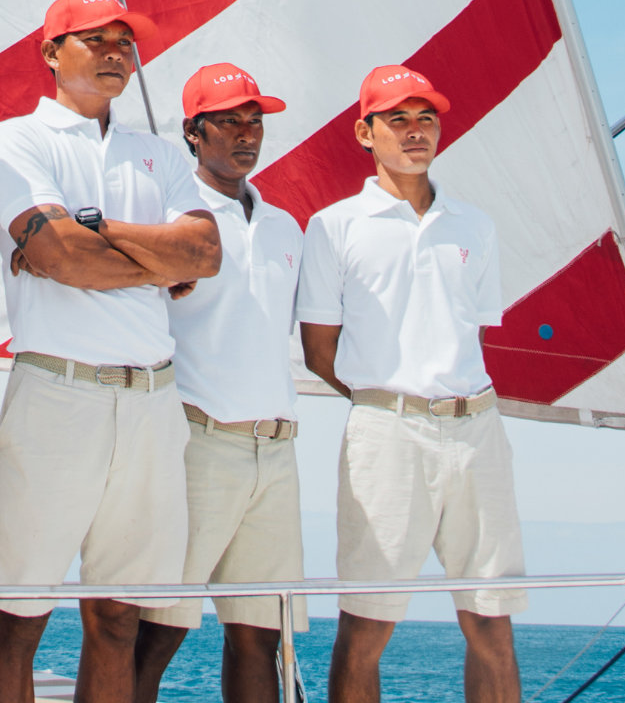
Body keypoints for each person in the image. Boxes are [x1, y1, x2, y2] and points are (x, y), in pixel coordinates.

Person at [0, 0, 222, 703]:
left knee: (118, 618)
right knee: (19, 616)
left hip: (153, 399)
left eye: (125, 41)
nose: (117, 52)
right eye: (95, 39)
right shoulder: (19, 140)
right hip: (59, 393)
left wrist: (93, 228)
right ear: (52, 53)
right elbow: (60, 260)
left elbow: (204, 254)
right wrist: (154, 264)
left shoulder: (156, 153)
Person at [296, 66, 524, 703]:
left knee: (491, 620)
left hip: (478, 429)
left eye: (426, 118)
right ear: (364, 133)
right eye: (397, 118)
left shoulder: (473, 226)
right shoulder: (334, 226)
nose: (415, 131)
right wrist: (391, 401)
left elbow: (470, 333)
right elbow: (320, 351)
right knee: (367, 621)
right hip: (386, 433)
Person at [133, 64, 307, 703]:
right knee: (157, 631)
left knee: (260, 638)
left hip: (277, 447)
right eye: (229, 120)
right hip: (196, 441)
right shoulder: (171, 217)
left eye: (254, 120)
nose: (246, 133)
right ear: (192, 132)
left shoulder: (287, 226)